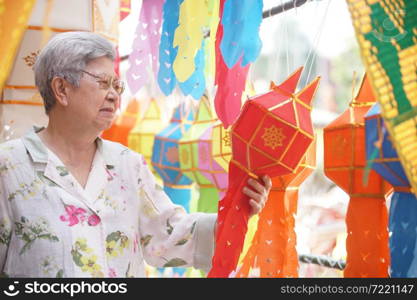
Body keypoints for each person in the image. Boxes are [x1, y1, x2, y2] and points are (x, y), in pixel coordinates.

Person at [0, 31, 272, 278]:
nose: (113, 96)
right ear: (61, 89)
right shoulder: (9, 167)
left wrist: (239, 209)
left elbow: (170, 235)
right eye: (103, 83)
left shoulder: (126, 164)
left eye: (117, 86)